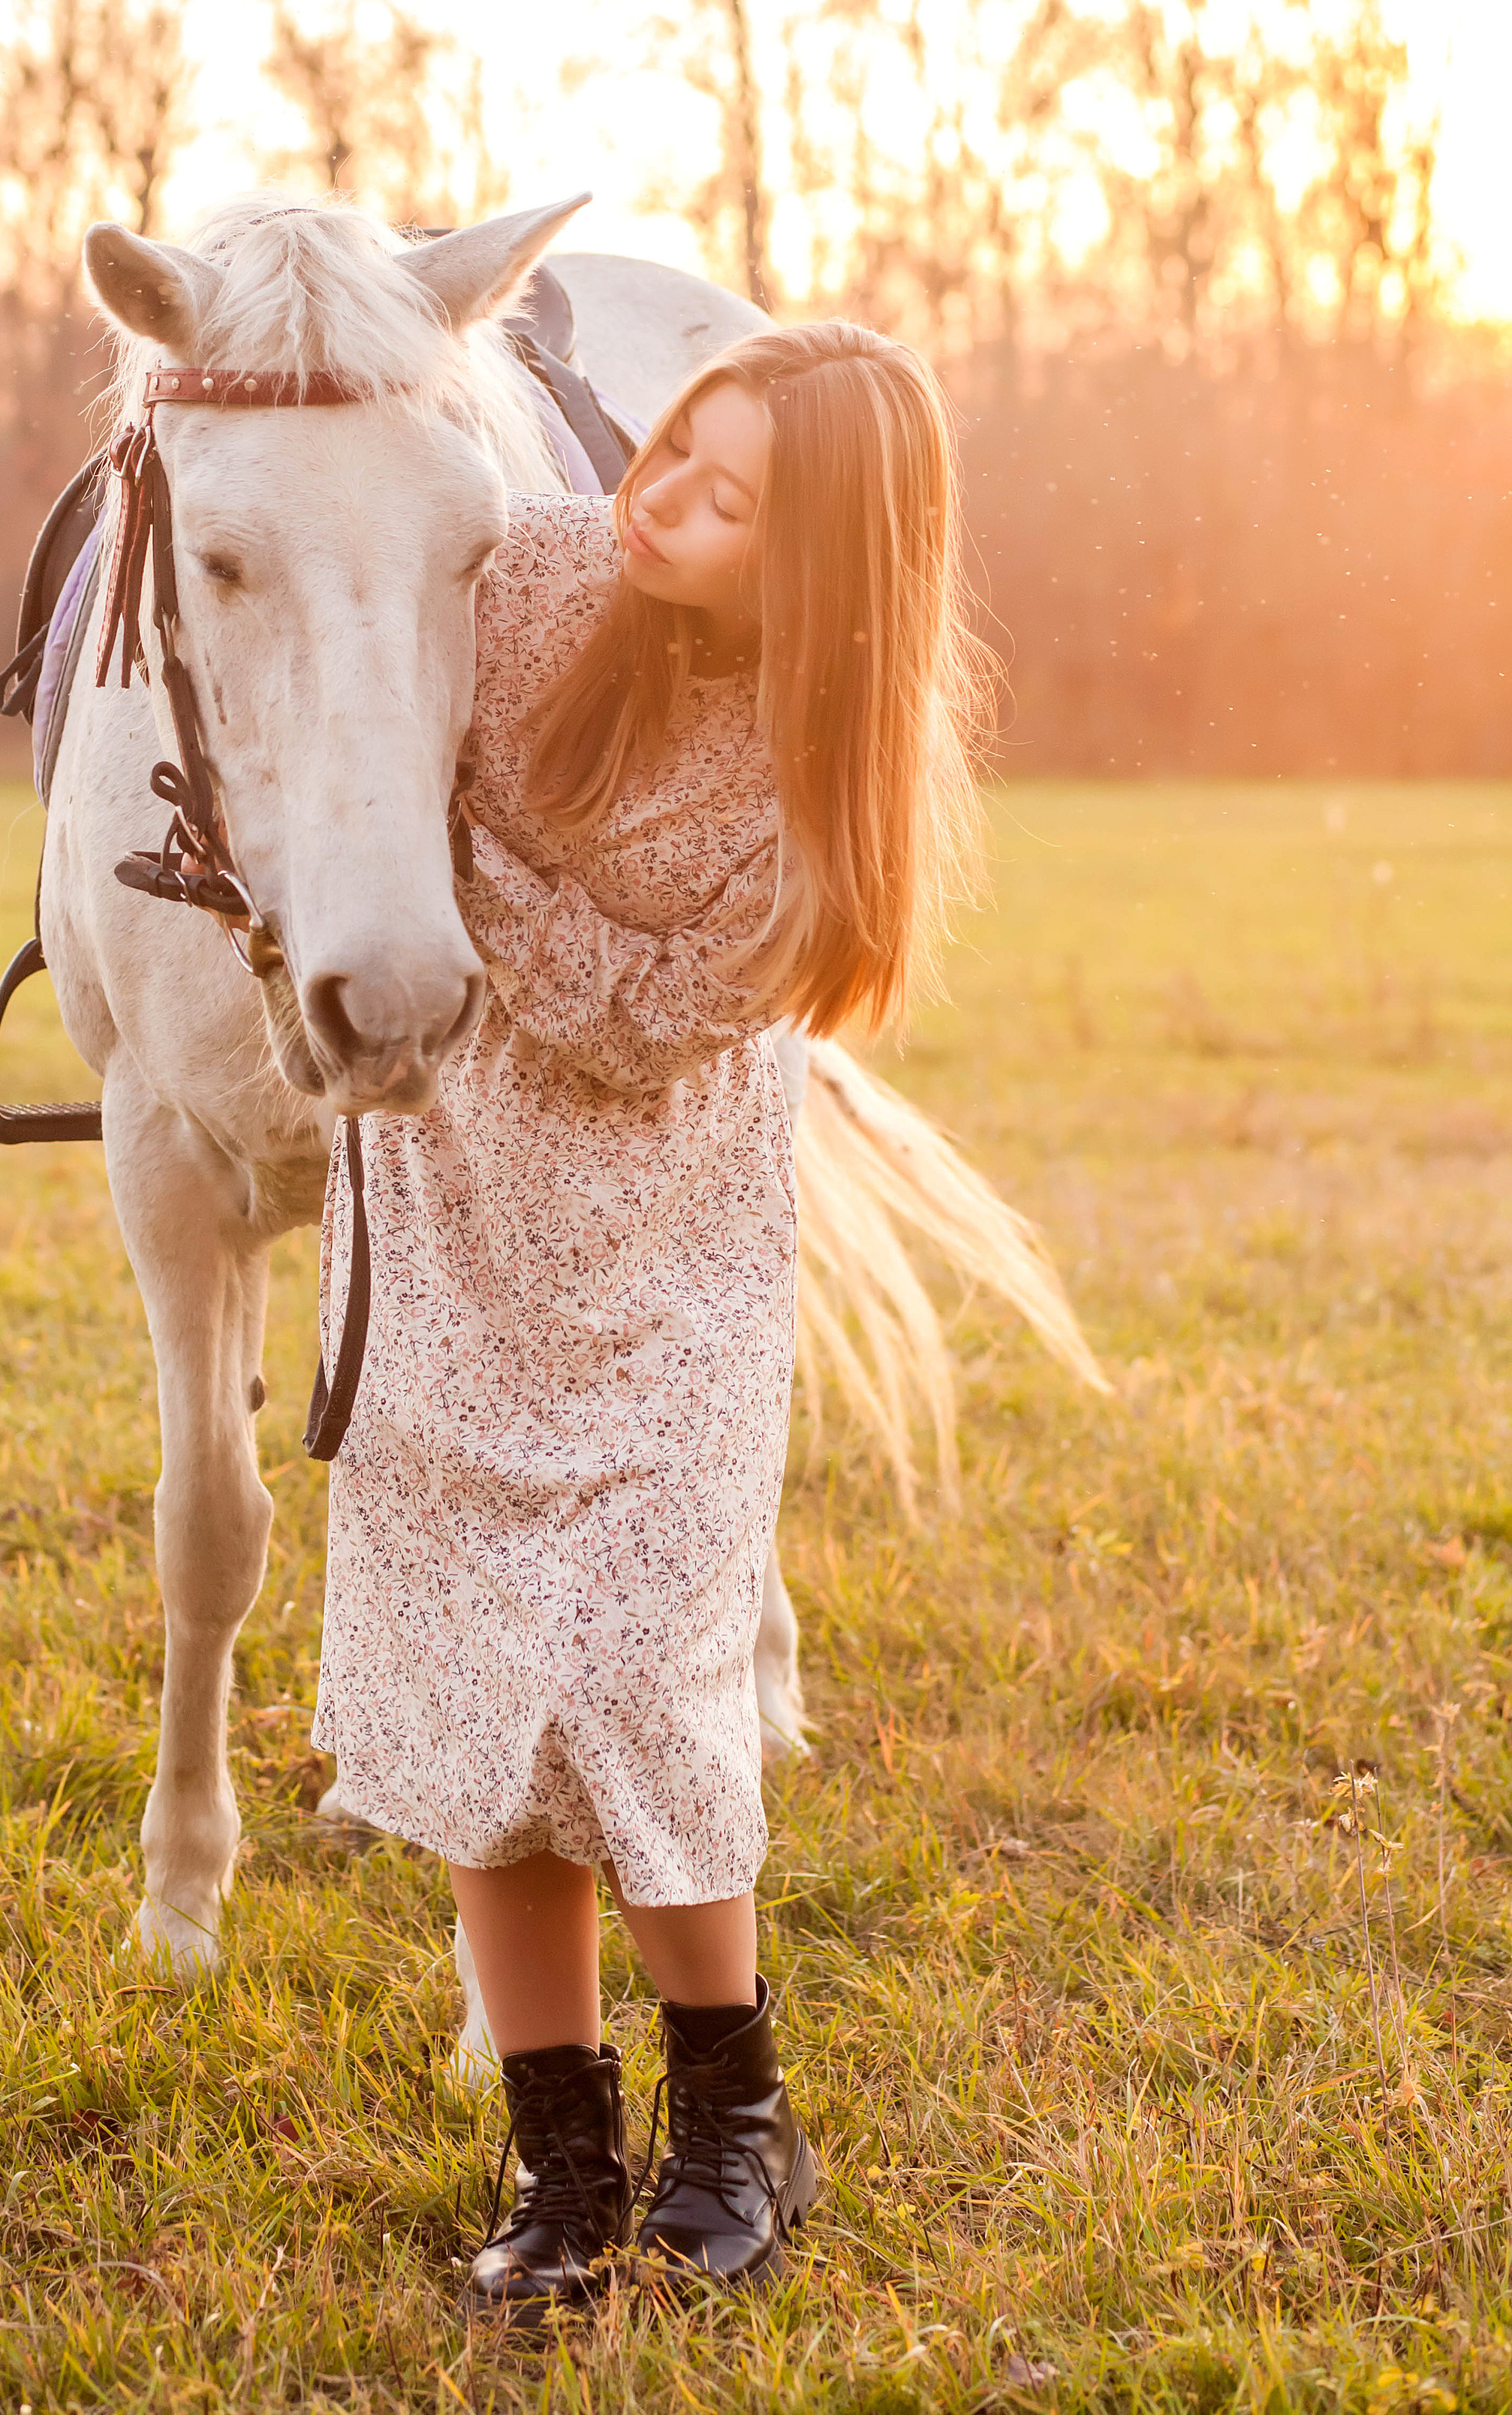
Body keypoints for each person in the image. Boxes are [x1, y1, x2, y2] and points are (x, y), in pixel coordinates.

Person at [310, 318, 982, 2315]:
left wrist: (440, 866)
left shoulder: (822, 800)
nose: (663, 489)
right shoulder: (523, 567)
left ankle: (737, 2121)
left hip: (664, 1284)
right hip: (447, 1239)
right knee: (473, 1711)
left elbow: (624, 1022)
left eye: (730, 491)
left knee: (636, 1689)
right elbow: (354, 616)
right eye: (682, 442)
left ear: (829, 566)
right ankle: (562, 2155)